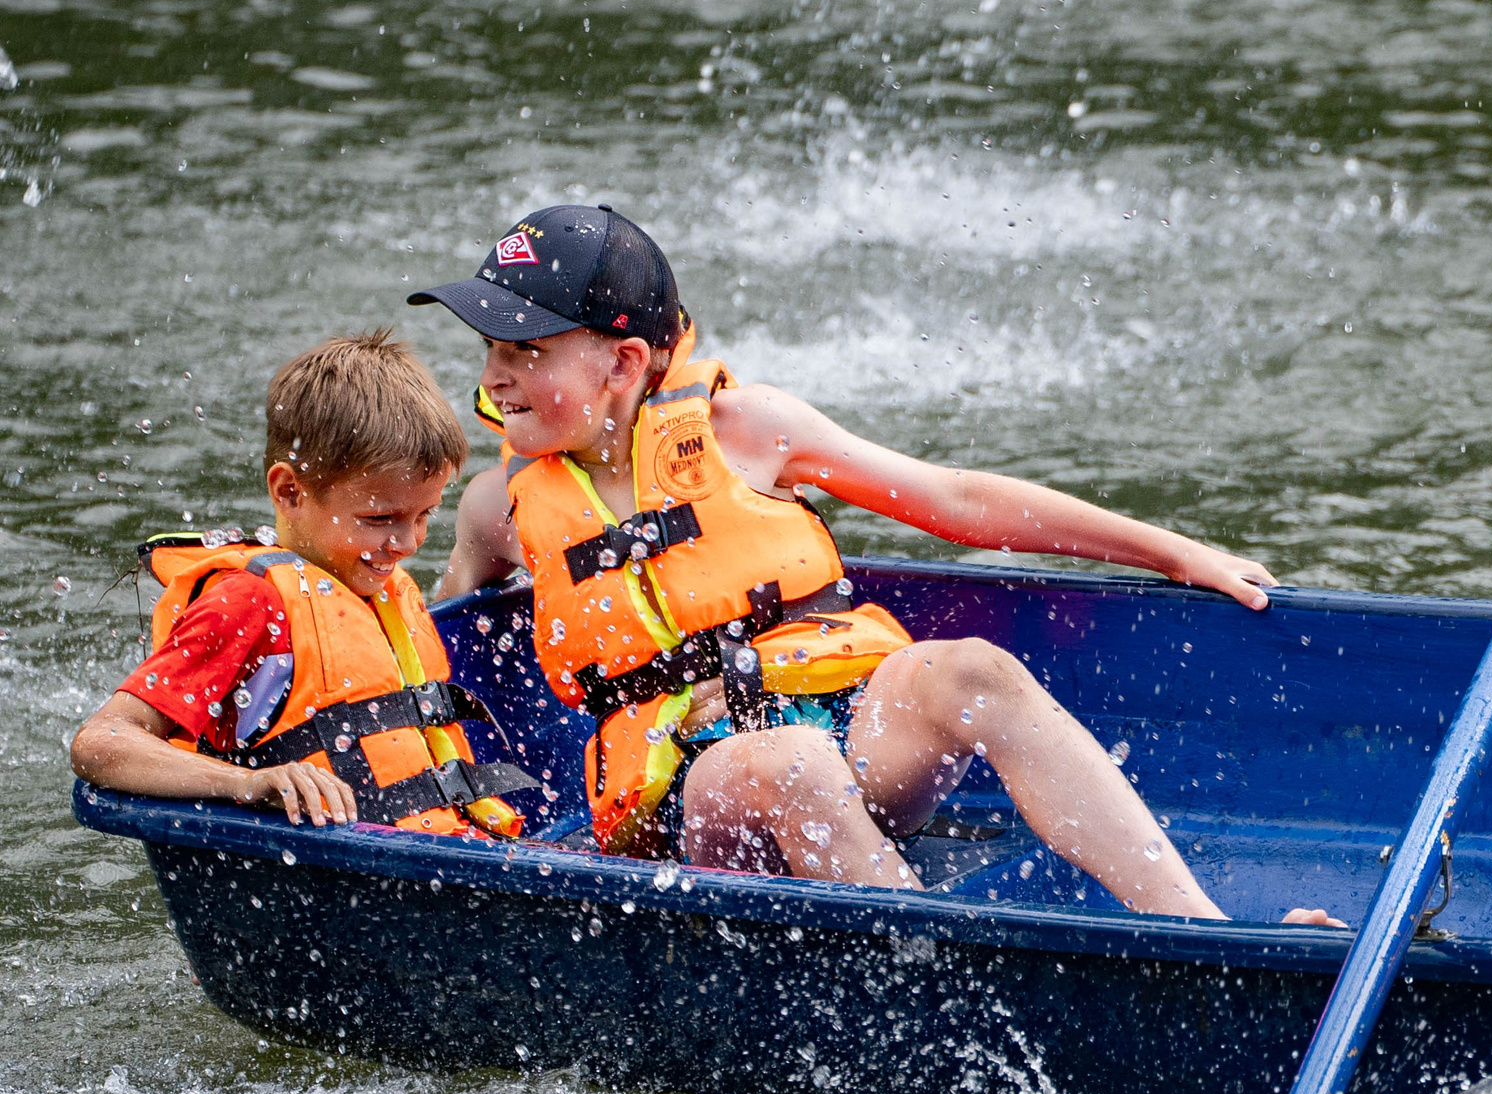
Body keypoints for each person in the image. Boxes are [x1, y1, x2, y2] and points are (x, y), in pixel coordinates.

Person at [418, 203, 1336, 925]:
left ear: (623, 362)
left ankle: (1195, 931)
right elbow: (432, 648)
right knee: (789, 762)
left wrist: (1178, 552)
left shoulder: (744, 429)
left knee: (970, 670)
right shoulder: (501, 507)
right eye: (490, 351)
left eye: (523, 353)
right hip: (687, 793)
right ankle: (939, 987)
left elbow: (961, 501)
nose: (493, 379)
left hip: (839, 726)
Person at [71, 332, 534, 834]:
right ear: (289, 490)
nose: (408, 543)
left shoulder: (382, 587)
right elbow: (102, 741)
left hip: (448, 851)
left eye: (426, 514)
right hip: (349, 871)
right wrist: (250, 784)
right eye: (380, 518)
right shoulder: (250, 601)